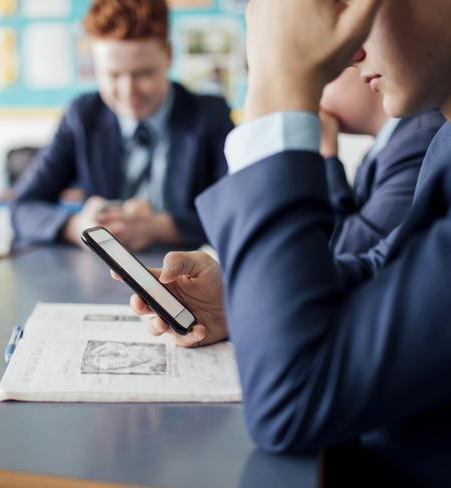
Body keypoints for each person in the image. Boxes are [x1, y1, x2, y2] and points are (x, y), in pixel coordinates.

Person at [123, 0, 451, 482]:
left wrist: (280, 89)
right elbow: (384, 269)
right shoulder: (444, 142)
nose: (352, 52)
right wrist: (238, 297)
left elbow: (291, 404)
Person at [10, 0, 233, 251]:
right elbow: (22, 208)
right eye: (113, 75)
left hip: (187, 277)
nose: (129, 92)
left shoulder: (210, 116)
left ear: (169, 55)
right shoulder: (83, 115)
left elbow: (236, 215)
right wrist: (78, 228)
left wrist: (160, 227)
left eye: (144, 74)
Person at [320, 67, 445, 255]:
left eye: (321, 78)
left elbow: (341, 251)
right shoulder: (381, 152)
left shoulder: (420, 140)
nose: (312, 102)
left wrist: (325, 156)